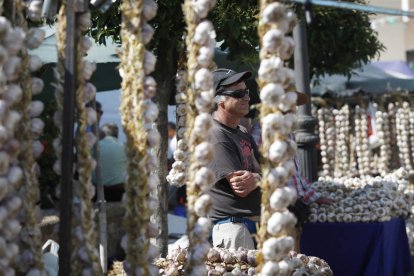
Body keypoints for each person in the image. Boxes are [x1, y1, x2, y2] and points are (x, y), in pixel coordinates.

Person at [207, 68, 262, 250]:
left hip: (248, 226)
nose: (247, 97)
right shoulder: (216, 135)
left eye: (246, 92)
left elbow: (262, 170)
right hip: (234, 228)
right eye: (239, 94)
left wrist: (257, 178)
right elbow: (242, 188)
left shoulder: (242, 132)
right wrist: (258, 177)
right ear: (219, 100)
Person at [93, 122, 127, 202]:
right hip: (118, 193)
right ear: (117, 135)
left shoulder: (94, 147)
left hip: (96, 193)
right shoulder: (123, 148)